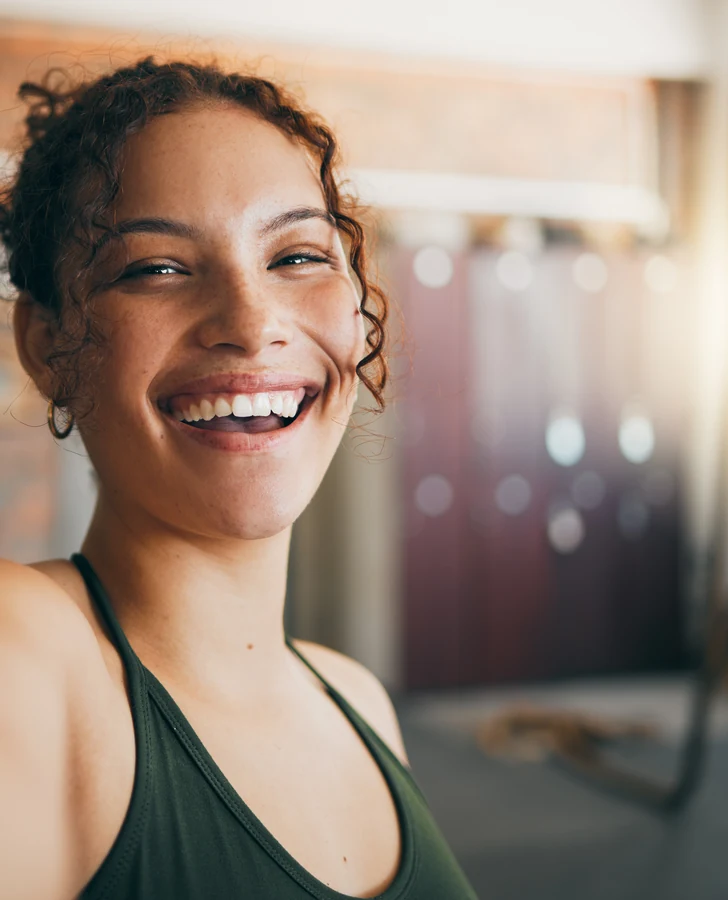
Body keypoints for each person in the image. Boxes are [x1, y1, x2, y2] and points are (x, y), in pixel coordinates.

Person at [0, 58, 478, 900]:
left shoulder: (359, 701)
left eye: (296, 255)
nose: (253, 326)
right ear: (46, 346)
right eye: (156, 268)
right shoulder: (27, 659)